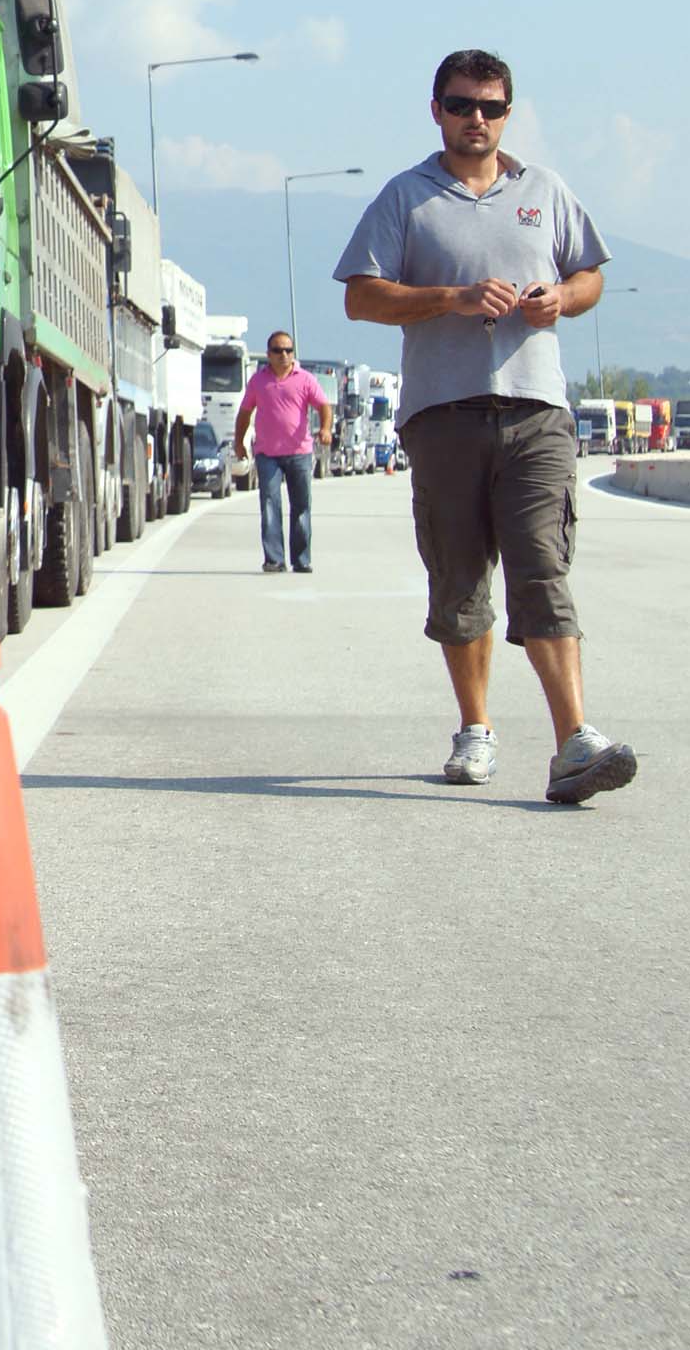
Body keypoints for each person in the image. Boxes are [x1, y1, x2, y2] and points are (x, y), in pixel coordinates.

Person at [336, 48, 635, 806]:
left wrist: (560, 299)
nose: (478, 118)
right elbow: (362, 299)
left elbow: (591, 274)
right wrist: (452, 298)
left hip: (537, 413)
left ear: (509, 113)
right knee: (461, 578)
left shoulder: (545, 190)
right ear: (436, 109)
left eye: (492, 106)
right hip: (443, 416)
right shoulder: (407, 197)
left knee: (542, 565)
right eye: (463, 104)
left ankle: (573, 741)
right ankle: (476, 729)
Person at [233, 333, 331, 571]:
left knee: (301, 507)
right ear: (269, 354)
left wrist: (326, 429)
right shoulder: (258, 381)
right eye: (278, 350)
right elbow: (245, 413)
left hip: (300, 452)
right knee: (269, 504)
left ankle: (301, 560)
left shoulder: (305, 379)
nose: (284, 355)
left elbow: (323, 406)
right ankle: (274, 559)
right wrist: (239, 443)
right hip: (267, 453)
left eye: (288, 350)